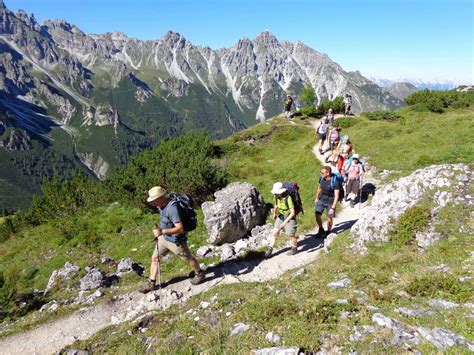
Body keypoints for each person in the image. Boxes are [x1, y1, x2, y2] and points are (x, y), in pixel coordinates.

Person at [139, 186, 205, 293]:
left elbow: (180, 228)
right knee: (155, 258)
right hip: (164, 239)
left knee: (188, 258)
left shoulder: (173, 209)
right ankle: (152, 283)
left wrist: (161, 232)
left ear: (160, 198)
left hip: (175, 240)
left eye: (154, 200)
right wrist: (161, 233)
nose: (152, 203)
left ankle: (200, 273)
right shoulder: (161, 205)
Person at [265, 182, 298, 258]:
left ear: (281, 192)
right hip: (281, 216)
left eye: (277, 193)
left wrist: (285, 223)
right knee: (274, 233)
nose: (275, 194)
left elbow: (293, 212)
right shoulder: (277, 196)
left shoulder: (288, 198)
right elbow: (276, 205)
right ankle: (269, 250)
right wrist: (275, 213)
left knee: (291, 235)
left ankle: (294, 248)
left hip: (289, 217)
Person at [314, 166, 342, 236]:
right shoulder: (321, 179)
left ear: (328, 173)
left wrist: (333, 208)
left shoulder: (335, 182)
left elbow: (336, 196)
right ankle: (321, 229)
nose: (321, 174)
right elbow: (319, 188)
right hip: (322, 199)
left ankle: (329, 231)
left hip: (331, 201)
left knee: (330, 217)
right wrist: (316, 198)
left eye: (322, 173)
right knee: (317, 215)